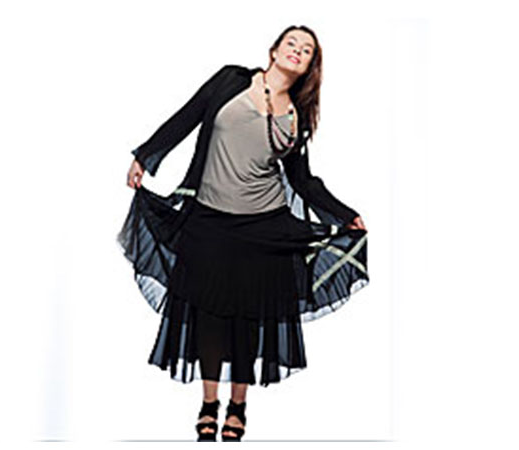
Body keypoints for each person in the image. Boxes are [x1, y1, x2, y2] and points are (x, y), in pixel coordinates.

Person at [118, 25, 370, 441]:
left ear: (310, 66)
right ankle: (209, 402)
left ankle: (238, 406)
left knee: (249, 318)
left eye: (306, 50)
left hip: (265, 226)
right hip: (209, 219)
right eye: (291, 43)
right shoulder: (230, 80)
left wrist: (344, 215)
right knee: (209, 315)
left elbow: (303, 181)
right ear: (274, 51)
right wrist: (146, 156)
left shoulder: (297, 116)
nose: (297, 50)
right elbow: (187, 116)